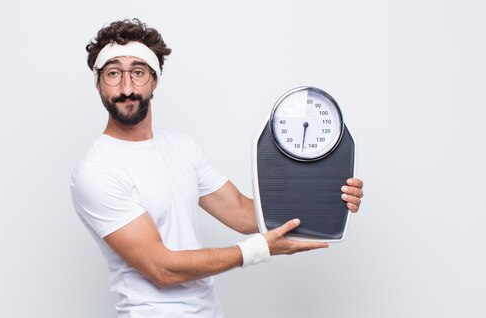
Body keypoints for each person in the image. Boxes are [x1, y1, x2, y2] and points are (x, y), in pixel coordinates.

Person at [70, 18, 364, 317]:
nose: (126, 87)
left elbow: (243, 212)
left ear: (154, 80)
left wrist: (327, 199)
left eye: (138, 72)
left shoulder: (181, 146)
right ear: (98, 83)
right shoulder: (97, 171)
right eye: (113, 74)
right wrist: (256, 250)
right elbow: (161, 268)